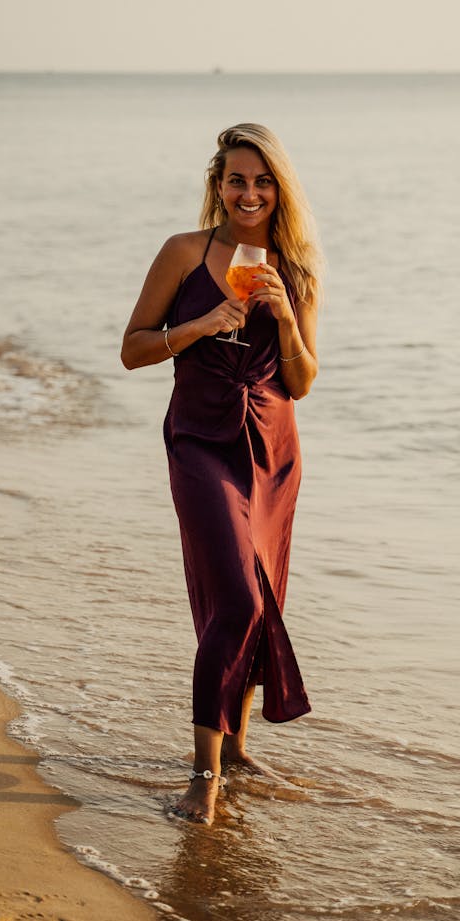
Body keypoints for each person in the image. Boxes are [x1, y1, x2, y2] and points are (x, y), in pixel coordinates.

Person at [121, 123, 323, 825]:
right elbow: (132, 349)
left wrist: (287, 322)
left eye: (263, 181)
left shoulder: (293, 270)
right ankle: (203, 772)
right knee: (235, 598)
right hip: (200, 439)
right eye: (237, 179)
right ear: (218, 184)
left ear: (279, 190)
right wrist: (206, 323)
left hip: (272, 448)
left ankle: (233, 748)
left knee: (259, 601)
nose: (249, 192)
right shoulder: (184, 252)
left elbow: (301, 380)